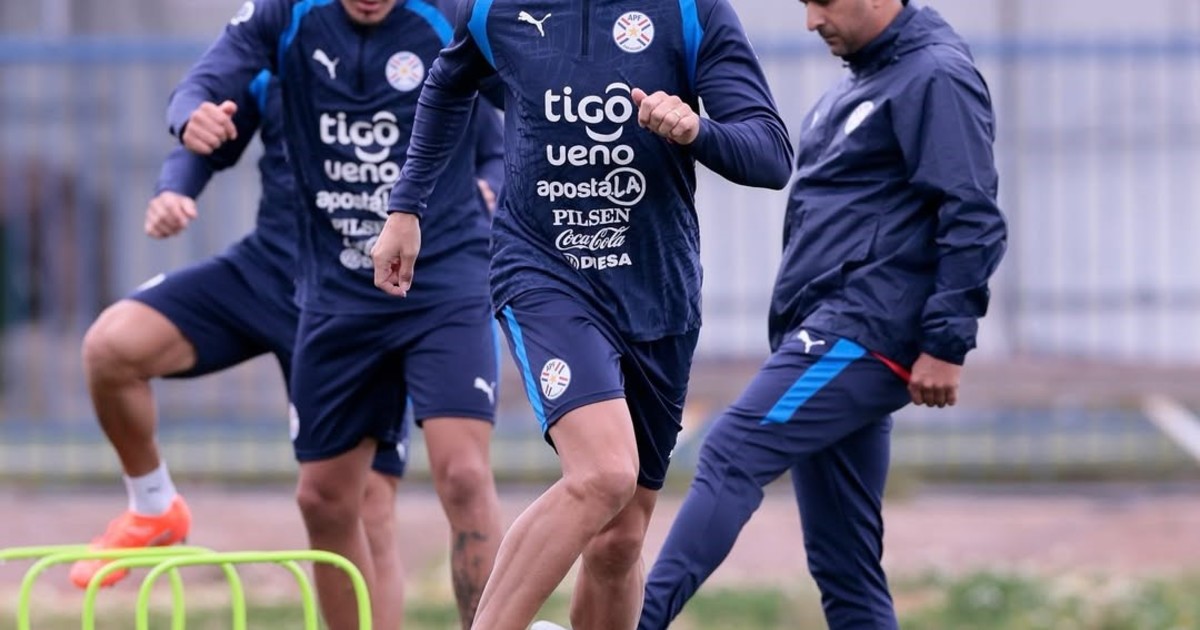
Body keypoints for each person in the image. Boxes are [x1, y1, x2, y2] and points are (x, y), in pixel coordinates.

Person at [372, 0, 795, 628]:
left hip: (658, 294)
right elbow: (447, 83)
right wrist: (407, 208)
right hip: (543, 272)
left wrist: (696, 131)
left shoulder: (690, 11)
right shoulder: (492, 10)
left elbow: (772, 154)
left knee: (619, 541)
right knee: (604, 473)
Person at [638, 1, 1008, 629]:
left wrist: (948, 342)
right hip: (828, 333)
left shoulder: (935, 75)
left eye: (825, 1)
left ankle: (633, 621)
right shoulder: (864, 80)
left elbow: (972, 214)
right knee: (846, 568)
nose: (811, 20)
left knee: (731, 451)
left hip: (862, 334)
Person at [166, 1, 506, 627]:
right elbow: (208, 78)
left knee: (462, 475)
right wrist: (190, 115)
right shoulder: (285, 13)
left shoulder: (452, 13)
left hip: (444, 281)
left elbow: (525, 103)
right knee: (323, 498)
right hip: (338, 289)